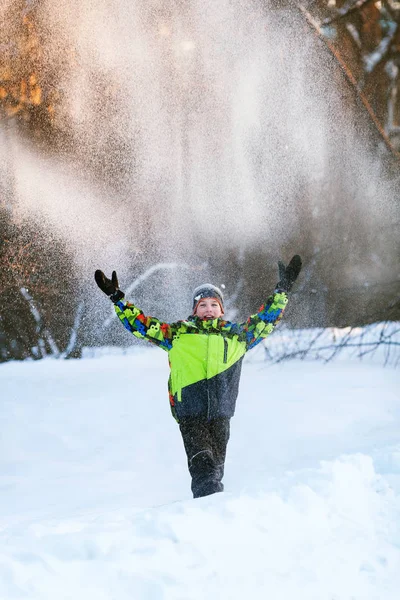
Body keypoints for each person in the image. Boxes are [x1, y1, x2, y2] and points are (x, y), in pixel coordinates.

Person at [94, 255, 302, 498]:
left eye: (214, 305)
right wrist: (117, 298)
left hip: (222, 412)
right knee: (202, 466)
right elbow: (141, 325)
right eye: (202, 305)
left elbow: (266, 321)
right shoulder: (178, 334)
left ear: (221, 310)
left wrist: (282, 291)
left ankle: (212, 511)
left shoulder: (237, 337)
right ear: (194, 310)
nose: (208, 309)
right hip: (190, 411)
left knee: (215, 467)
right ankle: (207, 505)